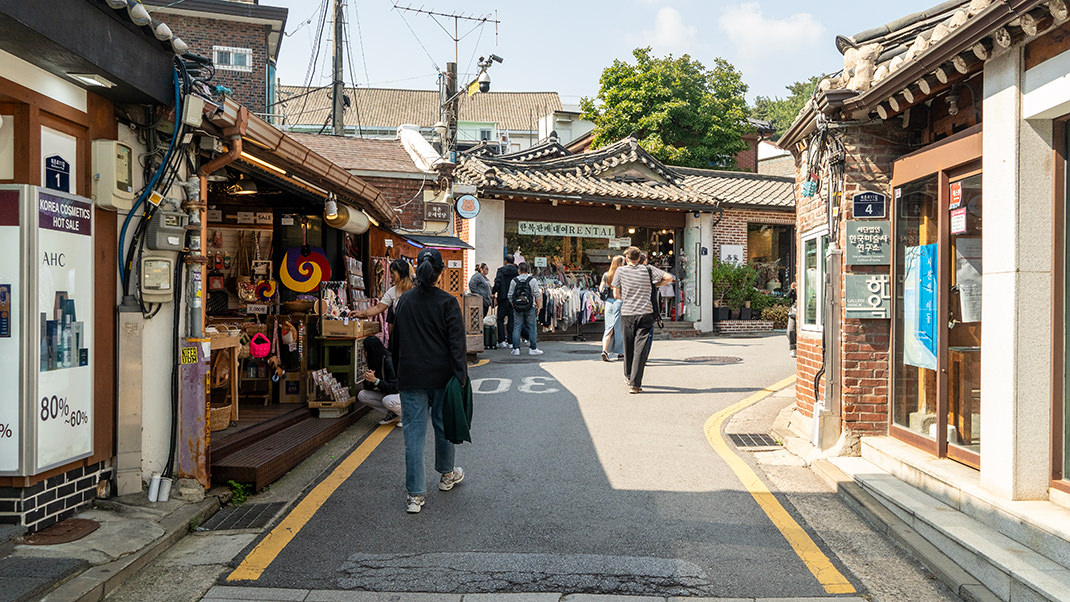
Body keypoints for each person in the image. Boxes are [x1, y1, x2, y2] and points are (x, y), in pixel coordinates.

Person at [392, 248, 467, 514]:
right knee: (443, 426)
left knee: (413, 435)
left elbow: (395, 343)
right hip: (442, 375)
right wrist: (461, 376)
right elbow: (457, 345)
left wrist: (397, 372)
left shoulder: (404, 301)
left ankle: (415, 495)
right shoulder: (448, 302)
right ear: (439, 273)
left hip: (411, 375)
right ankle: (447, 475)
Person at [612, 246, 673, 393]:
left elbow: (616, 294)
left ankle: (628, 376)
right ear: (639, 258)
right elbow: (669, 277)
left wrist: (627, 297)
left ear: (627, 259)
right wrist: (655, 285)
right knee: (640, 349)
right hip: (646, 313)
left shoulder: (620, 271)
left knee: (628, 346)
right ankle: (635, 384)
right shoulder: (648, 269)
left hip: (628, 313)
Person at [357, 336, 402, 426]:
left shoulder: (388, 360)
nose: (363, 353)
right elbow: (368, 388)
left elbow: (395, 388)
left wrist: (376, 381)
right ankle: (393, 414)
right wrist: (368, 380)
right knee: (362, 395)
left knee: (388, 400)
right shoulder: (375, 361)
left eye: (365, 350)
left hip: (402, 394)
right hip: (389, 394)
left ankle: (407, 416)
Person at [508, 262, 543, 356]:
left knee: (517, 327)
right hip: (530, 307)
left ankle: (516, 349)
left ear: (519, 270)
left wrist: (514, 305)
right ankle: (533, 348)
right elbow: (537, 294)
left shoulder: (514, 281)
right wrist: (539, 306)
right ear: (528, 270)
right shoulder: (532, 280)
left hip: (517, 308)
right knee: (532, 328)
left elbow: (510, 295)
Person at [600, 256, 625, 362]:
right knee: (619, 327)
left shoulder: (607, 275)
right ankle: (621, 352)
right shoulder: (622, 275)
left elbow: (601, 289)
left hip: (609, 302)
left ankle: (605, 350)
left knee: (609, 327)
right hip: (619, 300)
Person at [491, 255, 518, 349]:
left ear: (506, 261)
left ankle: (501, 340)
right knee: (511, 319)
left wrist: (493, 292)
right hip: (513, 298)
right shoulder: (516, 271)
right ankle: (511, 341)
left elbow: (497, 282)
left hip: (503, 297)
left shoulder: (501, 270)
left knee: (500, 319)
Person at [787, 281, 797, 358]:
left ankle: (795, 347)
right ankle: (793, 348)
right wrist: (792, 289)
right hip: (794, 311)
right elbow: (788, 296)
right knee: (790, 330)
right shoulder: (795, 289)